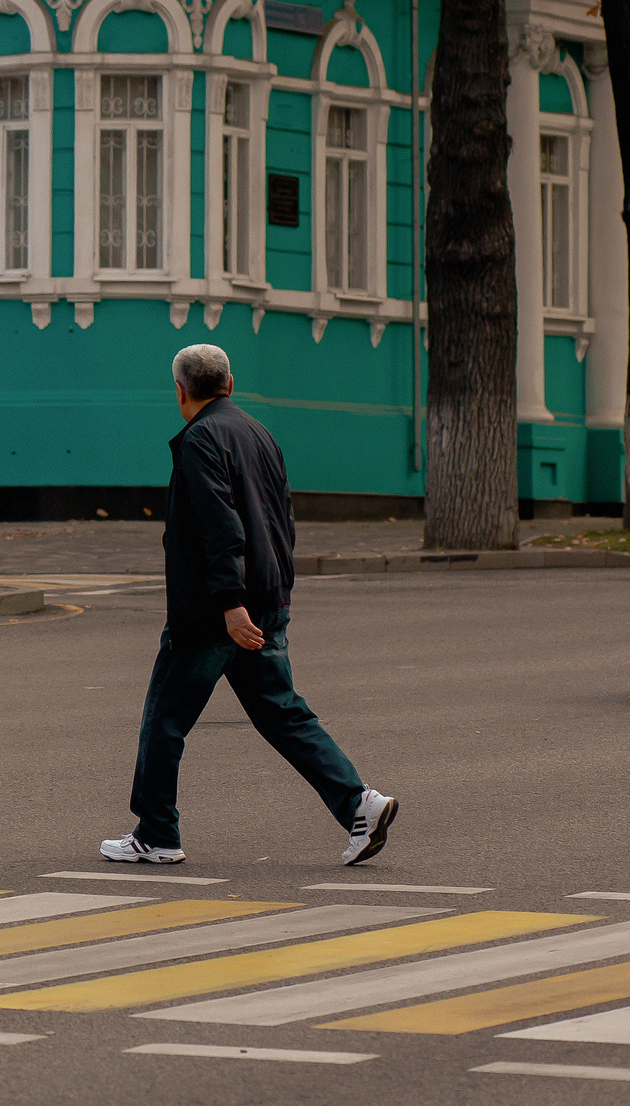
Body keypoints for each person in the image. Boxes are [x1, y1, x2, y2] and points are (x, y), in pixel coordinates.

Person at [100, 342, 400, 868]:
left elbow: (220, 527)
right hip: (265, 599)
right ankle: (359, 803)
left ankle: (156, 834)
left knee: (165, 719)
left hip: (214, 612)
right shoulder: (259, 433)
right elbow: (282, 519)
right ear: (230, 384)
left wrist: (229, 604)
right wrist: (275, 593)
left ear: (180, 390)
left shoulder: (199, 440)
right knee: (282, 714)